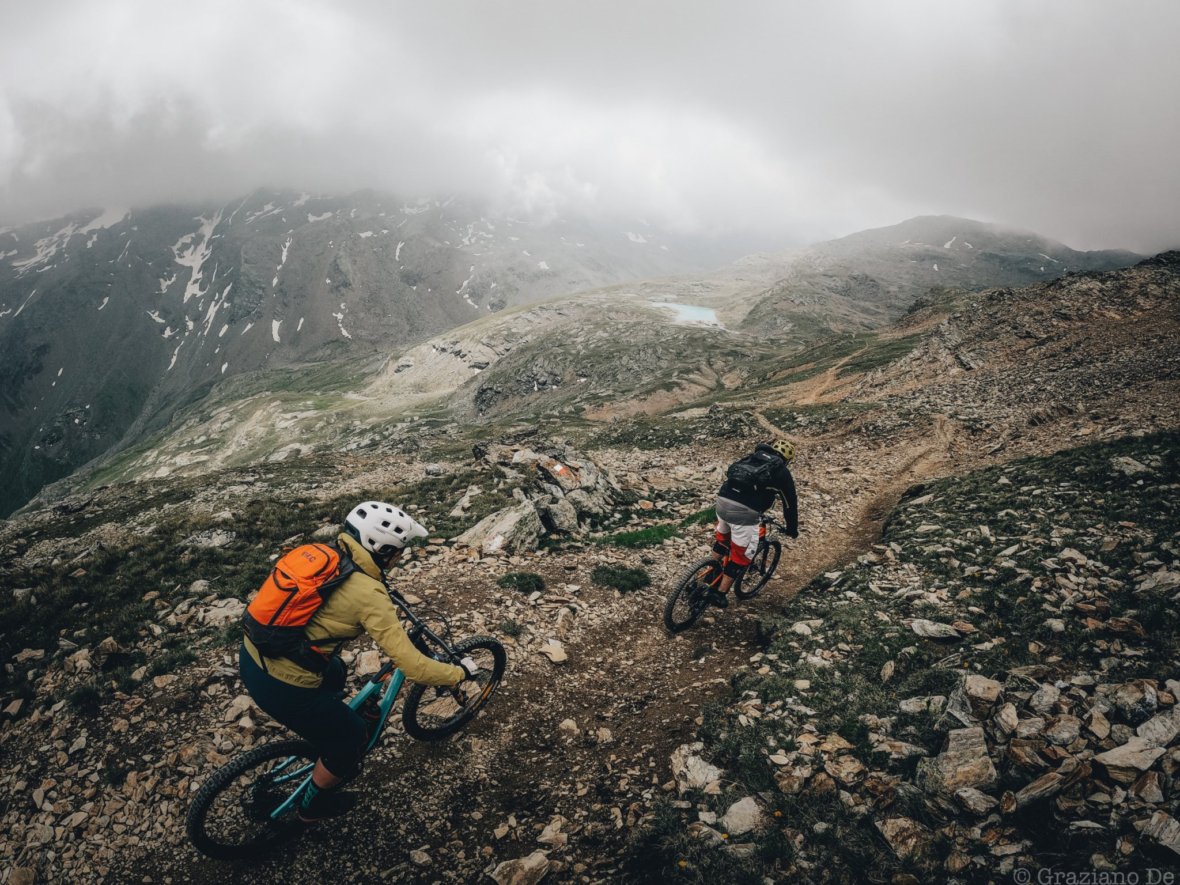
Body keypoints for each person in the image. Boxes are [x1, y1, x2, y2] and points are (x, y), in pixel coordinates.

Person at [239, 501, 477, 822]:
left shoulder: (328, 554)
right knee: (349, 739)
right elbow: (412, 666)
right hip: (282, 685)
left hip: (254, 654)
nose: (398, 559)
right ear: (382, 549)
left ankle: (328, 726)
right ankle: (312, 807)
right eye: (397, 552)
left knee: (336, 672)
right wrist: (456, 674)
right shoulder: (369, 594)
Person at [708, 439, 799, 608]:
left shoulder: (753, 457)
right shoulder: (781, 471)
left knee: (723, 540)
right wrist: (792, 529)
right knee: (742, 555)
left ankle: (707, 572)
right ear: (787, 460)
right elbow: (790, 504)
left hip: (722, 501)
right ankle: (719, 594)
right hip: (744, 512)